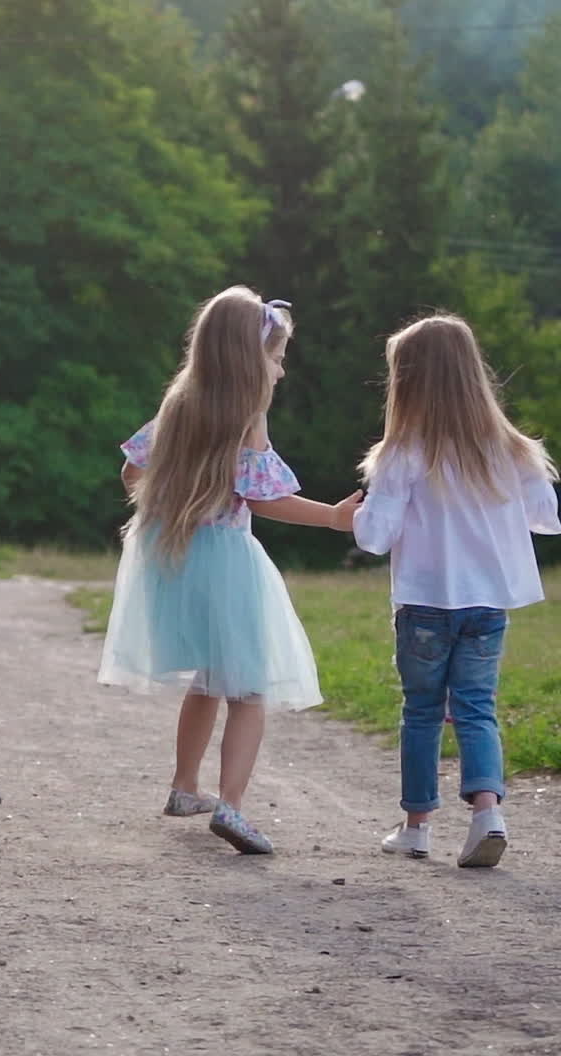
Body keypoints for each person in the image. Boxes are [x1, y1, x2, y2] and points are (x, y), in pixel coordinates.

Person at [99, 286, 360, 855]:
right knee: (248, 690)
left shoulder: (178, 403)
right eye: (277, 356)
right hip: (224, 558)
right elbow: (264, 499)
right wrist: (336, 519)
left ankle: (184, 786)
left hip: (172, 551)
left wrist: (175, 501)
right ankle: (233, 808)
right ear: (250, 358)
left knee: (210, 678)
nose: (282, 369)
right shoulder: (249, 416)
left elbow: (130, 473)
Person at [353, 314, 559, 868]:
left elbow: (374, 537)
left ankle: (416, 827)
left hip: (424, 604)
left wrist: (355, 514)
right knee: (476, 708)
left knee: (422, 710)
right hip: (488, 603)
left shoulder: (402, 452)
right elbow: (546, 518)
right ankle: (488, 815)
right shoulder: (514, 449)